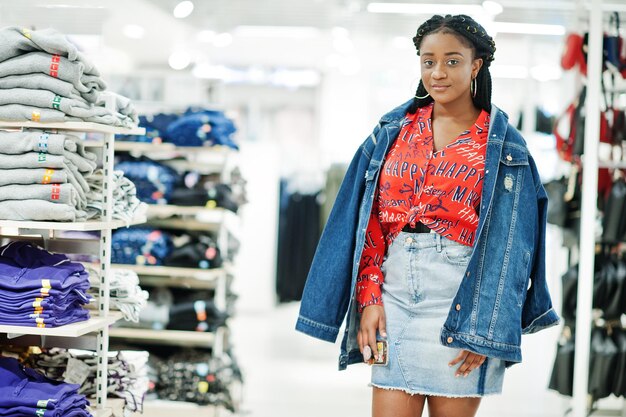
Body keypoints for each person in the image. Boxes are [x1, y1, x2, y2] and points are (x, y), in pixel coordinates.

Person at [295, 14, 560, 417]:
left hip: (462, 300)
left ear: (476, 65)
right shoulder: (392, 132)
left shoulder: (505, 145)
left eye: (452, 61)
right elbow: (372, 225)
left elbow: (515, 246)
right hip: (395, 297)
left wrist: (485, 326)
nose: (438, 72)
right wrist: (369, 298)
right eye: (428, 60)